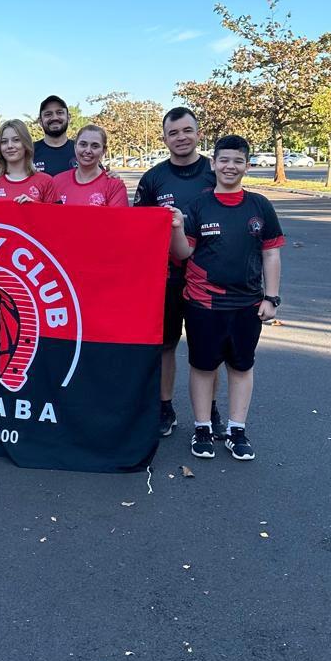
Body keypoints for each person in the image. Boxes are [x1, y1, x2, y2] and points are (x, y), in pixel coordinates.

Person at [169, 135, 284, 463]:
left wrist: (271, 298)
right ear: (213, 164)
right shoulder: (199, 206)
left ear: (247, 166)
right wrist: (177, 226)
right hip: (203, 304)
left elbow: (271, 254)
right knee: (202, 367)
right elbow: (183, 252)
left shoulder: (259, 205)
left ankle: (237, 430)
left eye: (237, 161)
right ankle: (202, 428)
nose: (230, 167)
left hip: (247, 304)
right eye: (224, 160)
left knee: (241, 366)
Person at [133, 106, 221, 439]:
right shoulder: (153, 178)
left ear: (199, 133)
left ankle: (209, 412)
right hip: (166, 279)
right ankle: (164, 408)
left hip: (208, 279)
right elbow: (137, 231)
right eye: (173, 133)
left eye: (187, 131)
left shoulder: (215, 174)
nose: (181, 138)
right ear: (164, 138)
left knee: (207, 352)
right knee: (166, 345)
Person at [0, 119, 57, 203]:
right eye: (4, 142)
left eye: (16, 140)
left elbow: (56, 215)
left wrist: (34, 208)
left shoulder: (46, 181)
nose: (9, 146)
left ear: (26, 144)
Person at [54, 125, 129, 206]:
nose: (88, 150)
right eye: (83, 144)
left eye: (95, 146)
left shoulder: (114, 186)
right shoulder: (57, 181)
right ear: (75, 147)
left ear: (104, 151)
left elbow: (118, 218)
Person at [32, 96, 76, 176]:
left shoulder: (82, 150)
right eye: (48, 114)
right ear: (40, 121)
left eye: (59, 112)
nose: (54, 118)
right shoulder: (28, 151)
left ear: (68, 118)